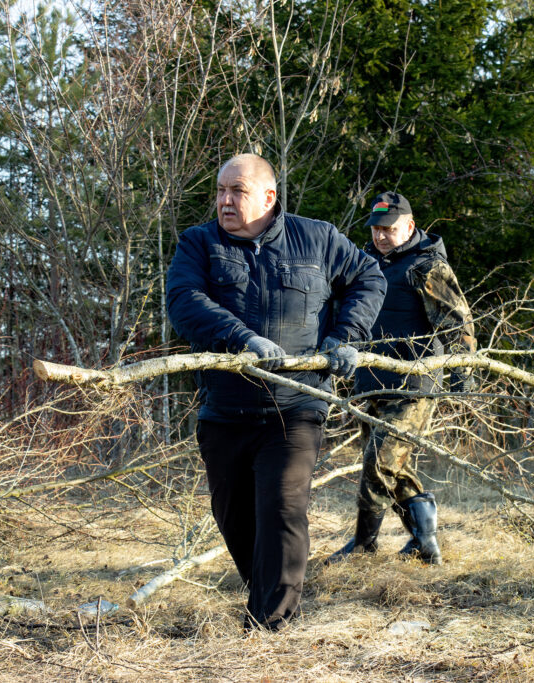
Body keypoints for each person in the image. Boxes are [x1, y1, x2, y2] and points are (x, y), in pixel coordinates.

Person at [165, 154, 386, 630]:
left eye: (237, 191)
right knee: (235, 517)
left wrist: (346, 335)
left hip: (296, 407)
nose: (225, 201)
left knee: (283, 509)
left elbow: (369, 278)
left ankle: (270, 626)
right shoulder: (198, 244)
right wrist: (242, 337)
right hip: (225, 410)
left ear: (269, 197)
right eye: (221, 191)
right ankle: (264, 595)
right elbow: (184, 301)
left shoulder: (318, 238)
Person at [326, 191, 476, 566]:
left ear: (409, 226)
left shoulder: (427, 267)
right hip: (371, 383)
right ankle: (425, 543)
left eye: (388, 229)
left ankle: (363, 546)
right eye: (376, 229)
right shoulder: (365, 264)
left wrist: (463, 374)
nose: (380, 236)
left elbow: (458, 322)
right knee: (393, 469)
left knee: (378, 465)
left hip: (413, 387)